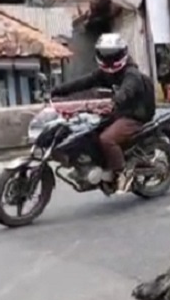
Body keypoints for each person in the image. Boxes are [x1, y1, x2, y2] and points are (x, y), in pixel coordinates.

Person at [51, 33, 156, 193]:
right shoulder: (106, 73)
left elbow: (127, 91)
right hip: (119, 112)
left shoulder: (131, 73)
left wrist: (114, 102)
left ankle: (122, 174)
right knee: (87, 131)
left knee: (106, 139)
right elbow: (84, 82)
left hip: (134, 115)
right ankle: (93, 164)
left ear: (122, 54)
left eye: (112, 55)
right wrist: (57, 91)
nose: (109, 59)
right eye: (105, 55)